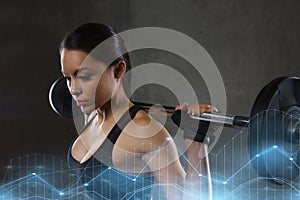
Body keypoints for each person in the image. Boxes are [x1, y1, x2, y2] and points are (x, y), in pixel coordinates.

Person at [59, 23, 217, 199]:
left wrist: (197, 139)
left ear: (118, 70)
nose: (73, 89)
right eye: (68, 78)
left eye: (84, 77)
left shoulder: (145, 132)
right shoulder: (93, 116)